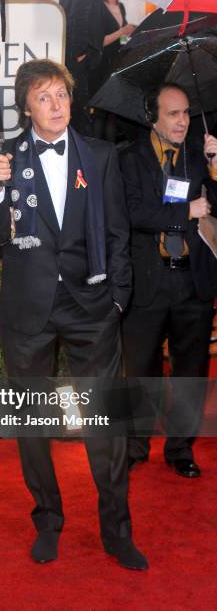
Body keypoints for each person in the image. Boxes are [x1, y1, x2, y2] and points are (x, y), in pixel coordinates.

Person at [0, 58, 148, 570]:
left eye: (62, 95)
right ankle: (48, 518)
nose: (56, 105)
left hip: (93, 307)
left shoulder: (100, 156)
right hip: (27, 310)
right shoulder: (4, 158)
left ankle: (116, 531)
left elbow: (119, 233)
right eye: (44, 97)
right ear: (26, 107)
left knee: (107, 425)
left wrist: (119, 298)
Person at [119, 83, 217, 477]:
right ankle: (135, 445)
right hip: (148, 280)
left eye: (186, 113)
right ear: (153, 117)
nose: (182, 121)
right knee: (140, 370)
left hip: (192, 282)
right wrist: (185, 212)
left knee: (191, 371)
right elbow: (134, 213)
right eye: (173, 114)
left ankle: (180, 449)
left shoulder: (200, 154)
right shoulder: (130, 158)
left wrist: (215, 167)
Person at [90, 0, 135, 142]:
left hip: (117, 64)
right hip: (101, 66)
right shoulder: (97, 6)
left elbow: (120, 40)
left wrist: (129, 38)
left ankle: (110, 156)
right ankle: (96, 155)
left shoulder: (120, 6)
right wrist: (122, 31)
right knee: (100, 112)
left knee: (112, 112)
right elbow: (98, 42)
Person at [61, 0, 106, 135]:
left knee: (76, 112)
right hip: (78, 63)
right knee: (79, 114)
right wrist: (80, 53)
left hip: (74, 60)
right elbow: (78, 19)